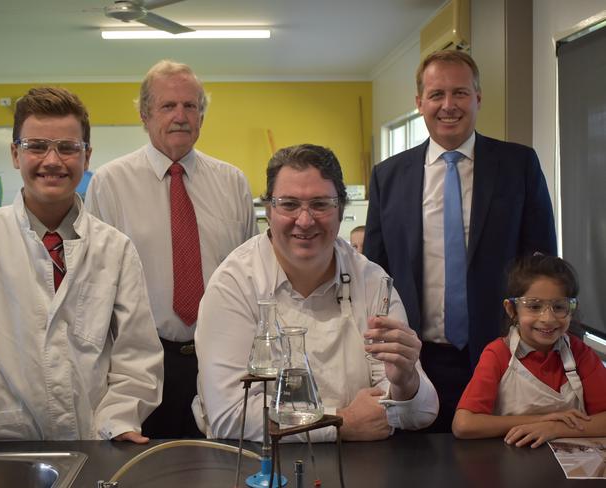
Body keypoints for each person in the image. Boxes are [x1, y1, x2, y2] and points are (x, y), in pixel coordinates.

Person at [0, 87, 163, 443]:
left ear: (86, 157)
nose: (52, 160)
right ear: (15, 154)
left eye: (68, 148)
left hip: (94, 440)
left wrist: (119, 419)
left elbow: (136, 351)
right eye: (37, 146)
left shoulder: (115, 248)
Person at [364, 50, 557, 432]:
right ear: (419, 102)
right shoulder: (389, 176)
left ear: (478, 98)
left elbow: (543, 265)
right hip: (416, 363)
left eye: (460, 93)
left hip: (502, 358)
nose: (448, 105)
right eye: (436, 95)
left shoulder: (518, 166)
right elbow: (374, 271)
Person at [194, 144, 438, 442]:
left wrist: (406, 383)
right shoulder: (234, 285)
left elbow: (421, 413)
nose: (305, 220)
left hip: (361, 464)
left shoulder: (372, 281)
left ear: (341, 211)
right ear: (269, 211)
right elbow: (230, 416)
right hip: (260, 466)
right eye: (289, 204)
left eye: (321, 204)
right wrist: (340, 422)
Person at [85, 60, 257, 439]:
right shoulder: (110, 183)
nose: (180, 116)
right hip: (142, 364)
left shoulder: (232, 183)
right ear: (145, 115)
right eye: (168, 106)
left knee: (221, 467)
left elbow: (252, 275)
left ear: (201, 115)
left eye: (190, 106)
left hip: (222, 359)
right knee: (146, 470)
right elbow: (97, 283)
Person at [452, 255, 606, 447]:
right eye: (534, 306)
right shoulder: (498, 354)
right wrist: (541, 420)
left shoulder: (580, 353)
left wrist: (555, 429)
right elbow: (464, 424)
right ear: (511, 309)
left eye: (559, 307)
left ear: (571, 309)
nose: (548, 318)